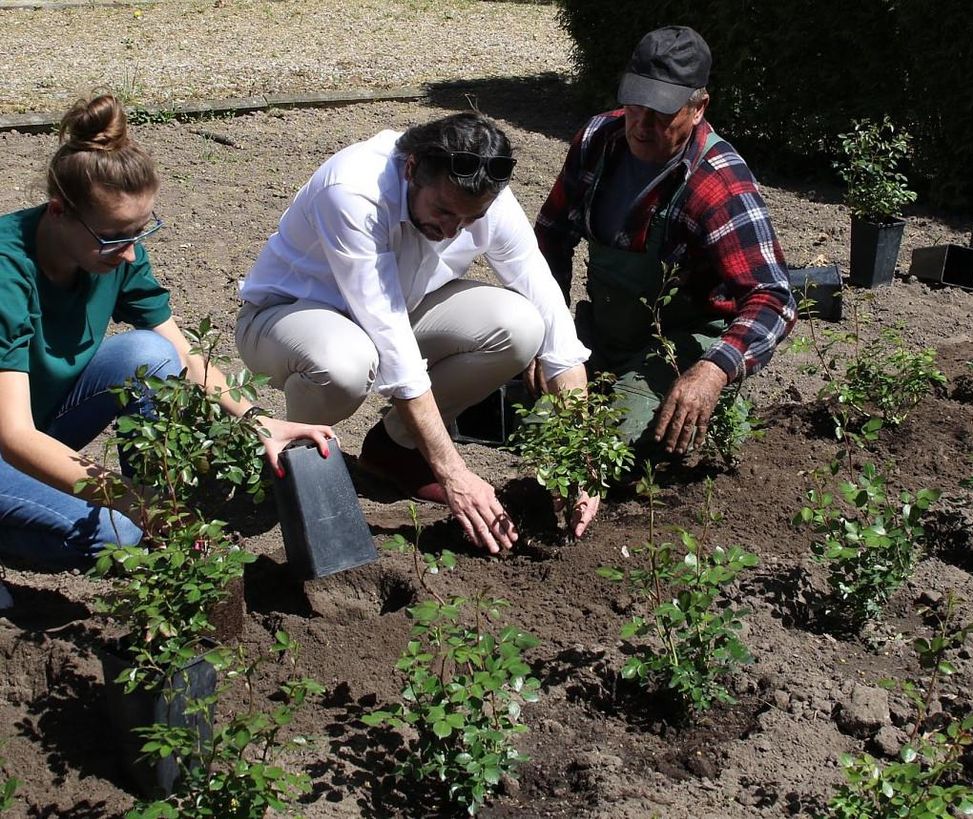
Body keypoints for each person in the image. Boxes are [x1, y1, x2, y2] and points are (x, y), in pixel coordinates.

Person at [0, 94, 335, 588]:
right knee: (115, 533)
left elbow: (181, 353)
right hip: (13, 435)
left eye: (141, 231)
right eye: (116, 237)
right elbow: (14, 435)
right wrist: (132, 503)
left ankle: (154, 519)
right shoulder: (9, 270)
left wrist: (261, 423)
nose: (132, 253)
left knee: (150, 356)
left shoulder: (111, 253)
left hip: (32, 426)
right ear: (58, 211)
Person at [235, 113, 593, 554]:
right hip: (285, 321)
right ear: (410, 169)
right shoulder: (353, 190)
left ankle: (396, 452)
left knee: (522, 326)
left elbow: (549, 309)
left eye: (468, 219)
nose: (451, 230)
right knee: (345, 363)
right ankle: (302, 469)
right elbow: (390, 342)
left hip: (396, 312)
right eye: (442, 211)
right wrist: (454, 472)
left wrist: (583, 458)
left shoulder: (482, 196)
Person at [535, 25, 796, 456]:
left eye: (661, 111)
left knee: (610, 449)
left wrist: (713, 372)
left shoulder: (718, 181)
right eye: (635, 104)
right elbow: (550, 238)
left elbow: (774, 296)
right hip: (602, 331)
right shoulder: (599, 140)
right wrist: (545, 335)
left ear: (698, 108)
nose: (641, 124)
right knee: (520, 410)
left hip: (676, 346)